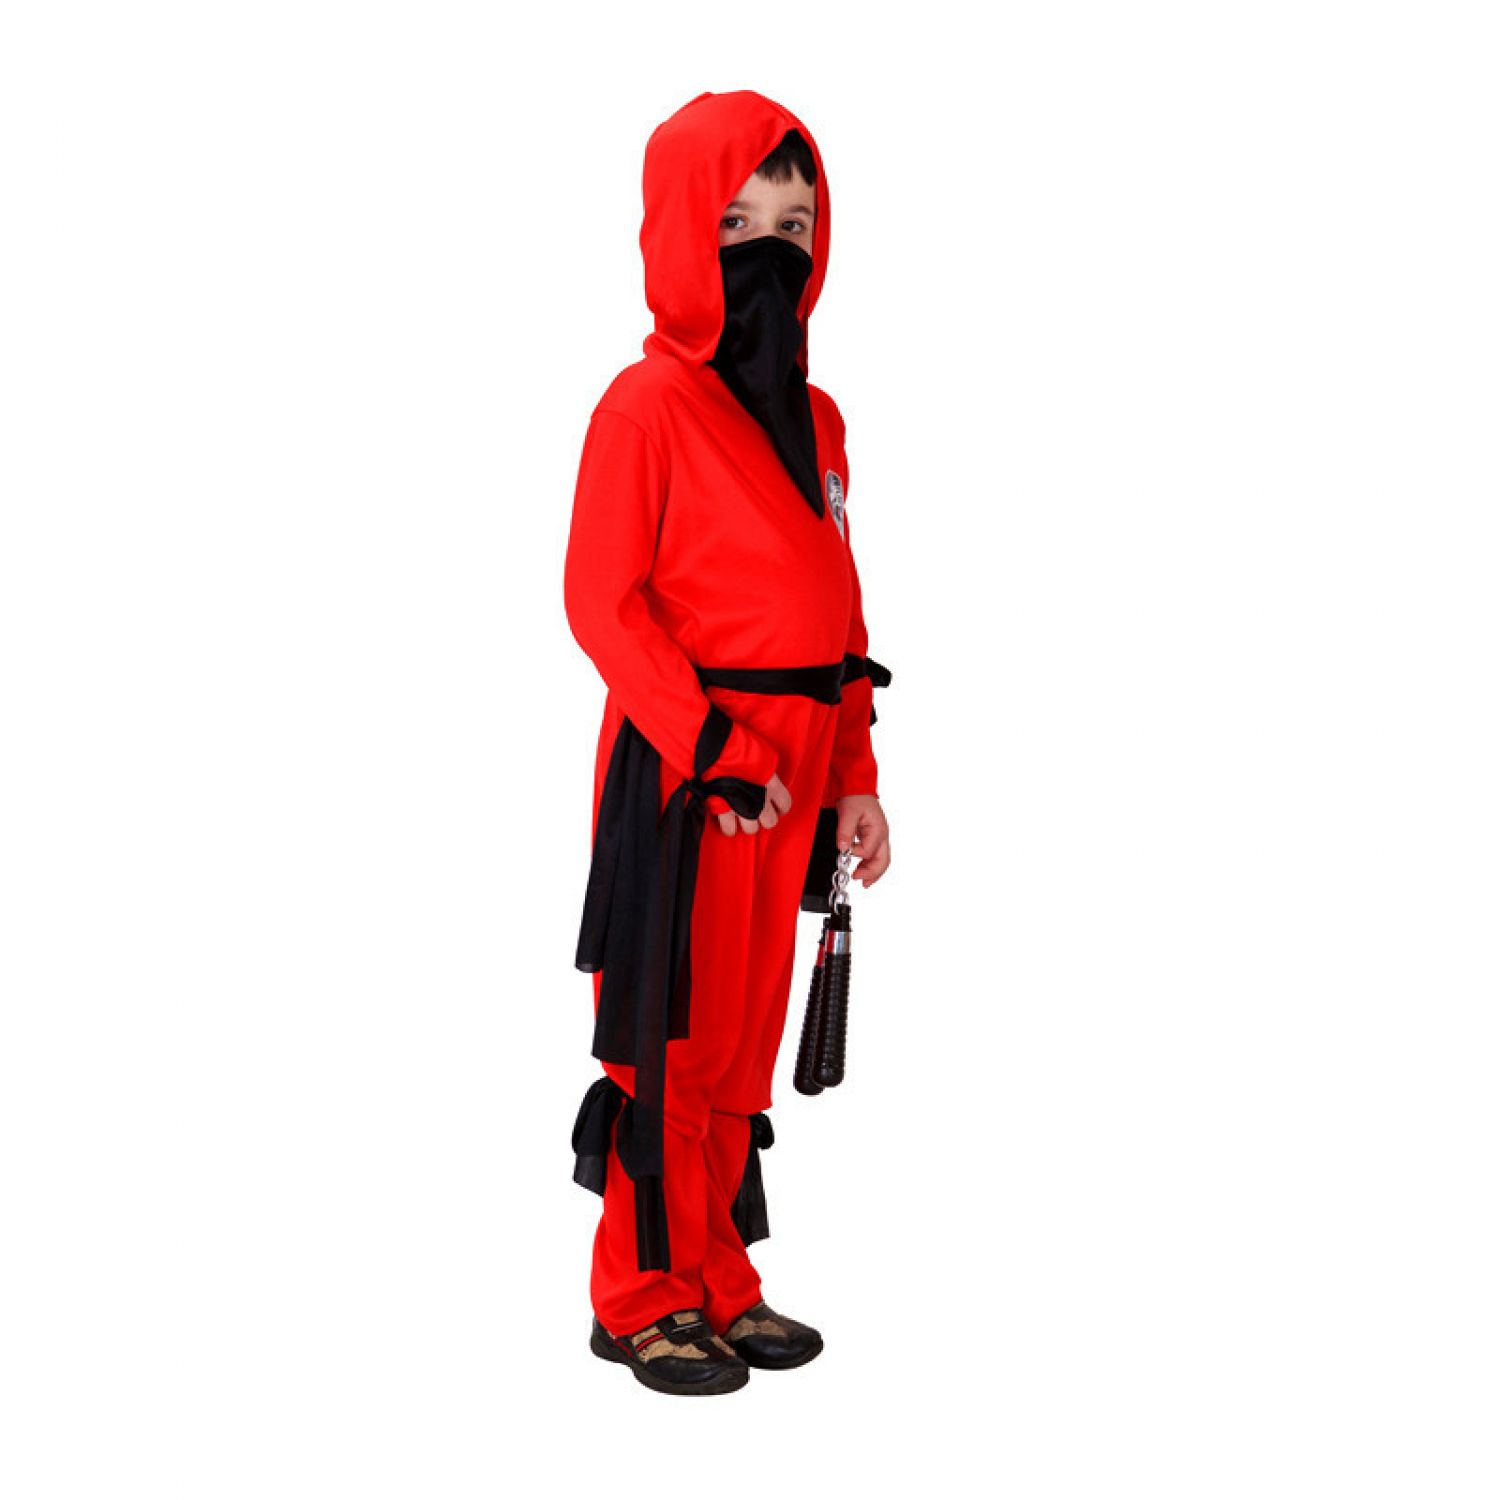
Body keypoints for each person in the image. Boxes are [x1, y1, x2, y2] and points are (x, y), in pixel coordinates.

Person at [562, 89, 892, 1397]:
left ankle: (717, 1277)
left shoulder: (822, 424)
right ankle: (639, 1294)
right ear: (679, 236)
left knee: (743, 1043)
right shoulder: (644, 408)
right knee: (670, 1038)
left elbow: (841, 609)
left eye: (796, 225)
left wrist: (854, 776)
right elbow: (602, 604)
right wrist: (711, 744)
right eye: (738, 222)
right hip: (692, 771)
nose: (773, 249)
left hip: (797, 767)